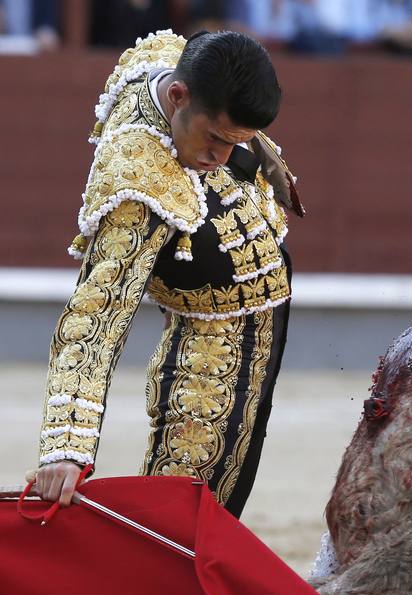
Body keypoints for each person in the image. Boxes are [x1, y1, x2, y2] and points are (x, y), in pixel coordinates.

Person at [34, 28, 303, 516]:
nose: (219, 159)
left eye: (233, 144)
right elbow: (96, 316)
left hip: (252, 338)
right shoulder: (139, 182)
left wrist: (256, 148)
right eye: (217, 140)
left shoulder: (168, 67)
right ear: (177, 98)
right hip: (209, 363)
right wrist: (65, 446)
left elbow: (208, 57)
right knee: (185, 523)